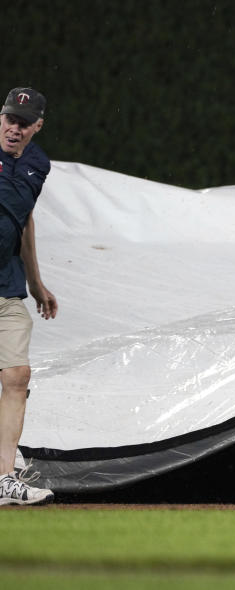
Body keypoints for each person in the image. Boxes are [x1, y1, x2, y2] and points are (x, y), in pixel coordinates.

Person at [0, 87, 58, 506]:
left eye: (23, 123)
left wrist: (36, 284)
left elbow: (24, 222)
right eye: (8, 119)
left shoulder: (38, 165)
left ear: (38, 126)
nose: (13, 129)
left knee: (16, 376)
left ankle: (3, 477)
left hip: (6, 284)